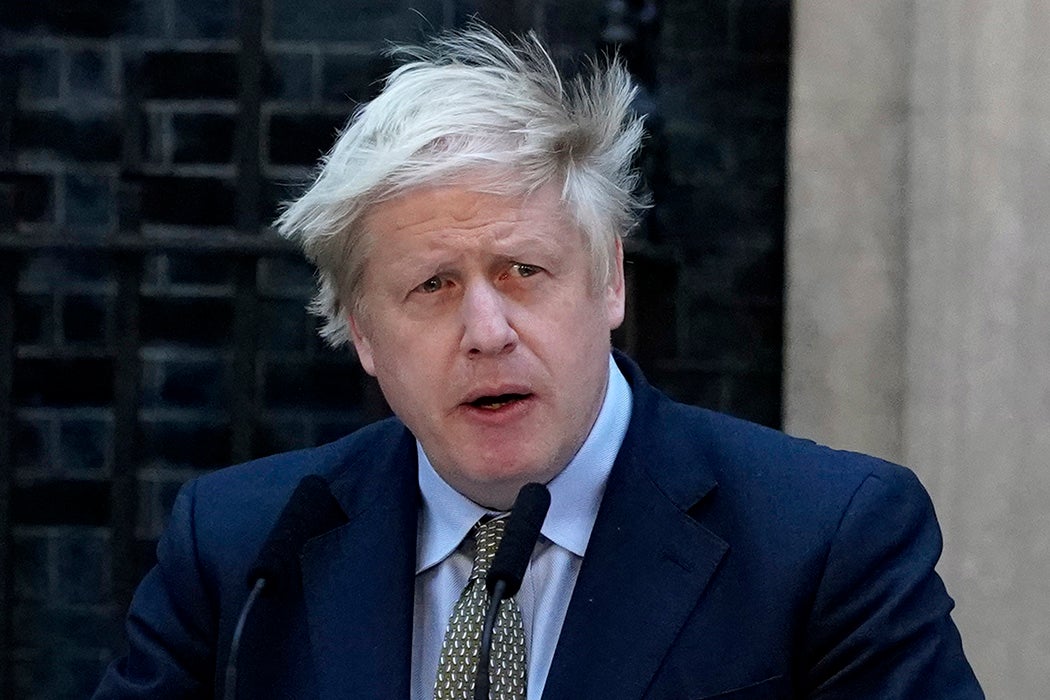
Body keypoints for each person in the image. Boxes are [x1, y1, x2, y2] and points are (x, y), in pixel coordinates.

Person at [94, 25, 983, 699]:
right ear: (362, 332)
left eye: (524, 272)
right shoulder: (240, 549)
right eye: (433, 285)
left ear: (608, 284)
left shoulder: (829, 540)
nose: (487, 329)